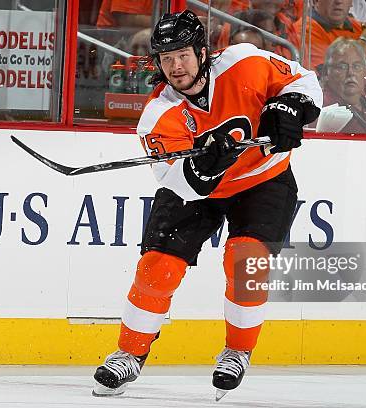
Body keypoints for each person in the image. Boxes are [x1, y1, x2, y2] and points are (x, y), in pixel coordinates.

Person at [92, 9, 322, 399]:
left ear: (202, 52)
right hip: (198, 192)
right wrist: (205, 164)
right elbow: (178, 182)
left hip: (264, 178)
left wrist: (290, 106)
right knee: (157, 267)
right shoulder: (158, 115)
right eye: (167, 59)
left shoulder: (245, 61)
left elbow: (305, 80)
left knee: (247, 260)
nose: (176, 66)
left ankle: (237, 351)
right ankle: (129, 354)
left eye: (183, 55)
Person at [292, 0, 366, 94]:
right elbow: (329, 83)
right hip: (341, 109)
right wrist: (365, 40)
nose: (338, 1)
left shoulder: (359, 27)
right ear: (315, 1)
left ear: (351, 3)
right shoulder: (305, 31)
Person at [320, 38, 366, 134]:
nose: (351, 73)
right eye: (342, 67)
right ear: (326, 73)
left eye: (357, 66)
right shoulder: (321, 110)